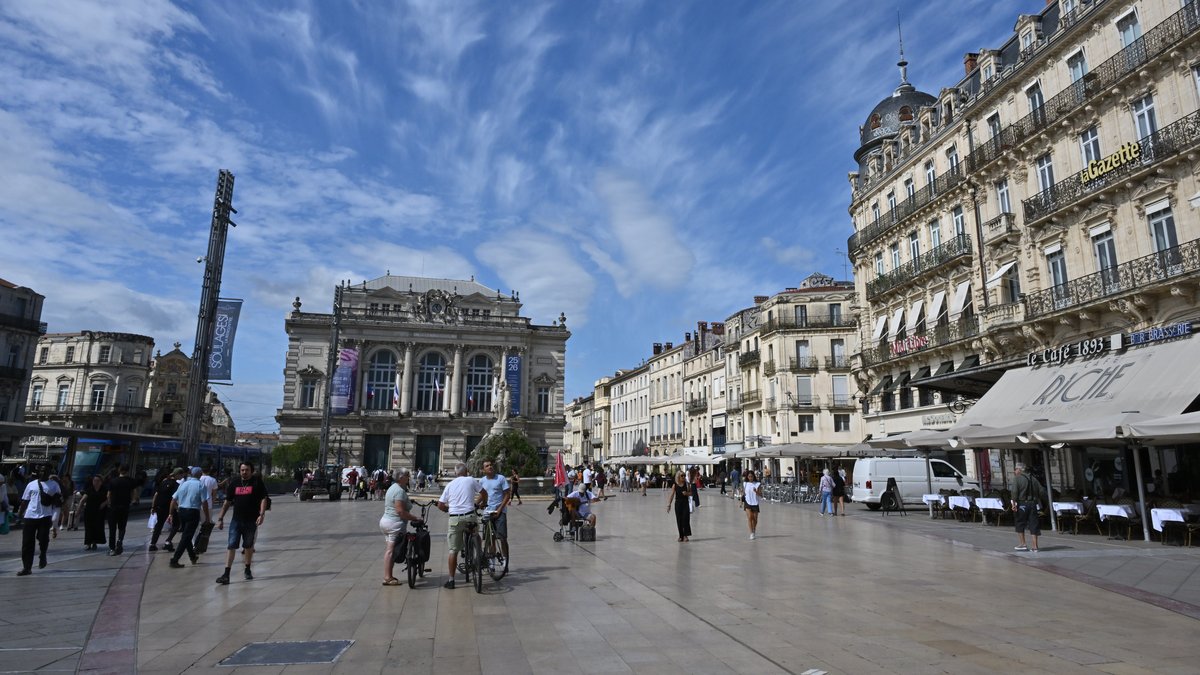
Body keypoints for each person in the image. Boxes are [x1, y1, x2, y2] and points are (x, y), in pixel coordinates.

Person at [214, 462, 269, 584]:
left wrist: (261, 514)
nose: (244, 472)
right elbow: (227, 502)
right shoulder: (235, 483)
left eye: (247, 470)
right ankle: (226, 574)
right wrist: (220, 518)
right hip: (236, 520)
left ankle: (247, 569)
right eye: (242, 470)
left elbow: (263, 498)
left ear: (251, 471)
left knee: (248, 546)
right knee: (231, 545)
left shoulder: (257, 483)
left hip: (251, 520)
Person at [436, 463, 485, 590]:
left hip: (455, 519)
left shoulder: (450, 485)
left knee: (453, 550)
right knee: (475, 533)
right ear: (467, 471)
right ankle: (479, 554)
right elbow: (484, 493)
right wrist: (479, 504)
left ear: (455, 473)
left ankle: (451, 580)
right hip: (470, 515)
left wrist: (450, 509)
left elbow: (440, 505)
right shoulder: (471, 480)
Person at [379, 468, 422, 585]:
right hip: (394, 523)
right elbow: (400, 511)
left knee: (390, 550)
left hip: (386, 521)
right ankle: (387, 577)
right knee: (390, 551)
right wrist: (415, 518)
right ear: (401, 478)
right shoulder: (399, 491)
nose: (409, 477)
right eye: (407, 475)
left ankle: (389, 575)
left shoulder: (393, 488)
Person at [16, 468, 61, 575]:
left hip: (45, 516)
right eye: (41, 471)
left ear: (49, 473)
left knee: (43, 538)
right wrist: (20, 514)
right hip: (30, 516)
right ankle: (27, 568)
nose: (42, 473)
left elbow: (58, 502)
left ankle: (43, 554)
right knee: (27, 543)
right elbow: (25, 501)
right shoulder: (31, 484)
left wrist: (56, 516)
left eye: (45, 471)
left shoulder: (54, 485)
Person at [167, 467, 210, 569]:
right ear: (200, 475)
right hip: (193, 512)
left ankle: (193, 556)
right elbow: (204, 503)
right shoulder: (201, 485)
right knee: (186, 537)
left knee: (187, 535)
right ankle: (175, 559)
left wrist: (171, 513)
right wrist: (207, 517)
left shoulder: (183, 484)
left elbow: (173, 500)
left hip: (181, 511)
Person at [478, 460, 511, 568]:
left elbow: (507, 495)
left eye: (491, 465)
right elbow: (482, 496)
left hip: (500, 512)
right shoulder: (482, 481)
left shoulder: (500, 478)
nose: (490, 467)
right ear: (483, 470)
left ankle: (505, 560)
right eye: (487, 466)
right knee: (489, 539)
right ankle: (491, 561)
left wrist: (500, 509)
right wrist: (476, 504)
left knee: (502, 537)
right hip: (487, 512)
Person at [105, 465, 139, 555]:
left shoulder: (113, 481)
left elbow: (108, 495)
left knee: (112, 528)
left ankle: (112, 549)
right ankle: (120, 540)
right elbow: (135, 493)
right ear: (127, 471)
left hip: (113, 507)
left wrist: (109, 503)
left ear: (119, 471)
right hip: (125, 507)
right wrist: (133, 501)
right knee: (122, 527)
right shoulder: (131, 481)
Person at [1011, 462, 1044, 552]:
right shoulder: (1033, 478)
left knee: (1020, 523)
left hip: (1022, 503)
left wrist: (1013, 504)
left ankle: (1023, 544)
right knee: (1033, 523)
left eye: (1016, 469)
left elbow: (1014, 492)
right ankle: (1035, 546)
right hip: (1033, 504)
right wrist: (1036, 498)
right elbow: (1041, 491)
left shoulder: (1017, 479)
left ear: (1019, 470)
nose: (1014, 471)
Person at [149, 468, 183, 551]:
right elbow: (173, 499)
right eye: (181, 474)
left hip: (159, 506)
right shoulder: (176, 485)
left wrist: (153, 507)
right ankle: (168, 542)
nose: (182, 476)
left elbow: (156, 495)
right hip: (169, 507)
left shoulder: (163, 482)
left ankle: (152, 544)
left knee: (159, 524)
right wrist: (177, 508)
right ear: (177, 474)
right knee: (176, 524)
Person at [77, 475, 108, 551]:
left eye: (98, 481)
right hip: (89, 511)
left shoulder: (105, 489)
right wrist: (78, 510)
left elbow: (109, 498)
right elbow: (82, 500)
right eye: (94, 480)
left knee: (98, 527)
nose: (96, 482)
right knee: (88, 527)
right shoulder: (89, 489)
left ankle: (94, 542)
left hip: (100, 511)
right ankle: (88, 543)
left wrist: (104, 503)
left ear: (101, 482)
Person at [666, 471, 692, 542]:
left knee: (686, 519)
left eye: (684, 475)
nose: (683, 477)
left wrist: (687, 493)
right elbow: (672, 495)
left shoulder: (687, 484)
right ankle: (681, 536)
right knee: (679, 520)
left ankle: (685, 535)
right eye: (682, 476)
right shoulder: (675, 485)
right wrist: (669, 505)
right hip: (678, 504)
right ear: (678, 477)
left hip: (685, 503)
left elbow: (691, 493)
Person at [743, 470, 762, 540]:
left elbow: (761, 494)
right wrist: (741, 501)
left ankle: (754, 530)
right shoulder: (745, 483)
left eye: (751, 476)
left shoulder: (757, 484)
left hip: (755, 502)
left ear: (754, 476)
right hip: (747, 502)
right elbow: (744, 493)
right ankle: (751, 533)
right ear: (747, 477)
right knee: (750, 517)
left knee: (755, 519)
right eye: (749, 476)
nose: (750, 478)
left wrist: (756, 491)